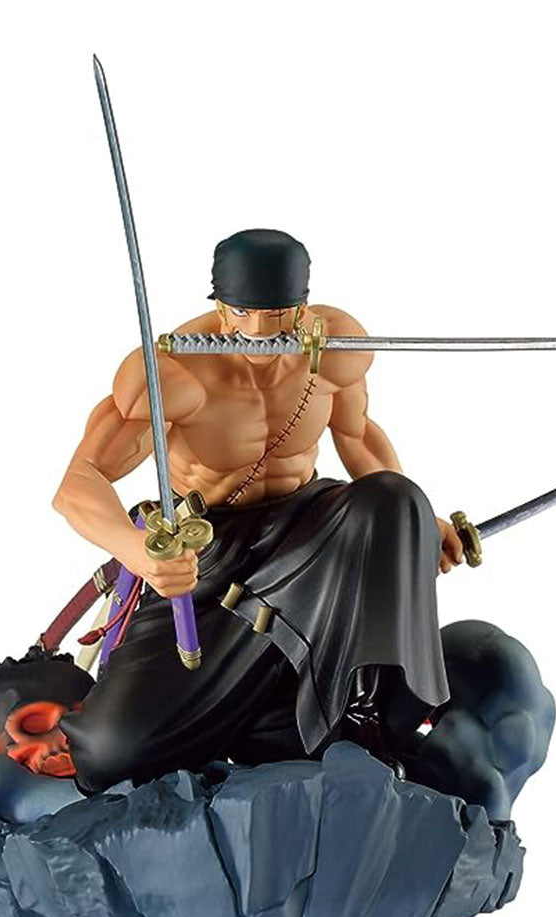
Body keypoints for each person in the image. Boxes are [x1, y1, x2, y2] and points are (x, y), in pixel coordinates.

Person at [55, 229, 465, 793]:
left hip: (306, 525)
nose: (261, 332)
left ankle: (361, 719)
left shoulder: (334, 348)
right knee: (110, 752)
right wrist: (141, 554)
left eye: (277, 314)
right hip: (206, 550)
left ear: (302, 305)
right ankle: (260, 731)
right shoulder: (173, 372)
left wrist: (418, 528)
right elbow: (78, 484)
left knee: (395, 499)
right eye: (244, 313)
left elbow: (359, 437)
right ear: (221, 306)